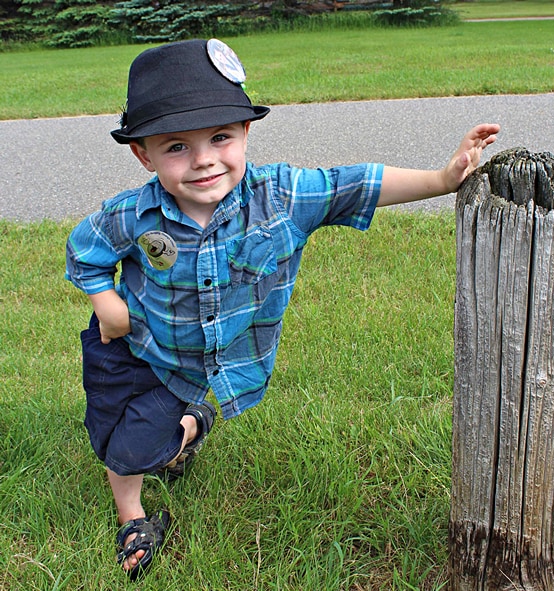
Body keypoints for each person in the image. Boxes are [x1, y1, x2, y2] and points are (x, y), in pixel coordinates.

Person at [65, 37, 500, 581]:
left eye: (220, 137)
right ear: (143, 153)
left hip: (194, 368)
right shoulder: (132, 214)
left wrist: (440, 180)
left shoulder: (284, 197)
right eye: (176, 146)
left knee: (140, 445)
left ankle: (190, 425)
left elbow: (357, 183)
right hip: (130, 346)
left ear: (245, 133)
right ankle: (134, 514)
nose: (203, 159)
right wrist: (107, 305)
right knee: (111, 438)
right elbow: (85, 249)